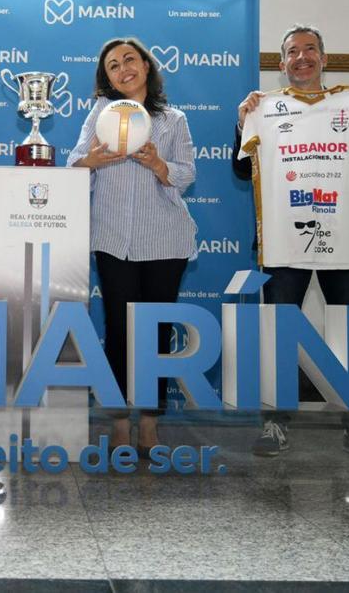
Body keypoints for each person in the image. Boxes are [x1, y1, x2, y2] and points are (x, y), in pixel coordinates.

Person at [233, 25, 349, 463]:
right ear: (281, 64)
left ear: (324, 58)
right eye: (292, 52)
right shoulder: (263, 107)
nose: (301, 57)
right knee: (279, 332)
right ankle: (275, 423)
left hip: (342, 239)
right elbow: (243, 170)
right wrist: (241, 121)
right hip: (285, 241)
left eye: (310, 50)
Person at [66, 37, 197, 453]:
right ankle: (120, 420)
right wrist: (92, 161)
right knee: (119, 330)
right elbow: (72, 166)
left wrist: (160, 164)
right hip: (113, 239)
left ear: (145, 65)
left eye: (129, 60)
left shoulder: (172, 119)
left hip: (165, 239)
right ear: (106, 77)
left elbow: (186, 173)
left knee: (156, 334)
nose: (123, 69)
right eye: (112, 66)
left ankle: (150, 423)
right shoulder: (100, 114)